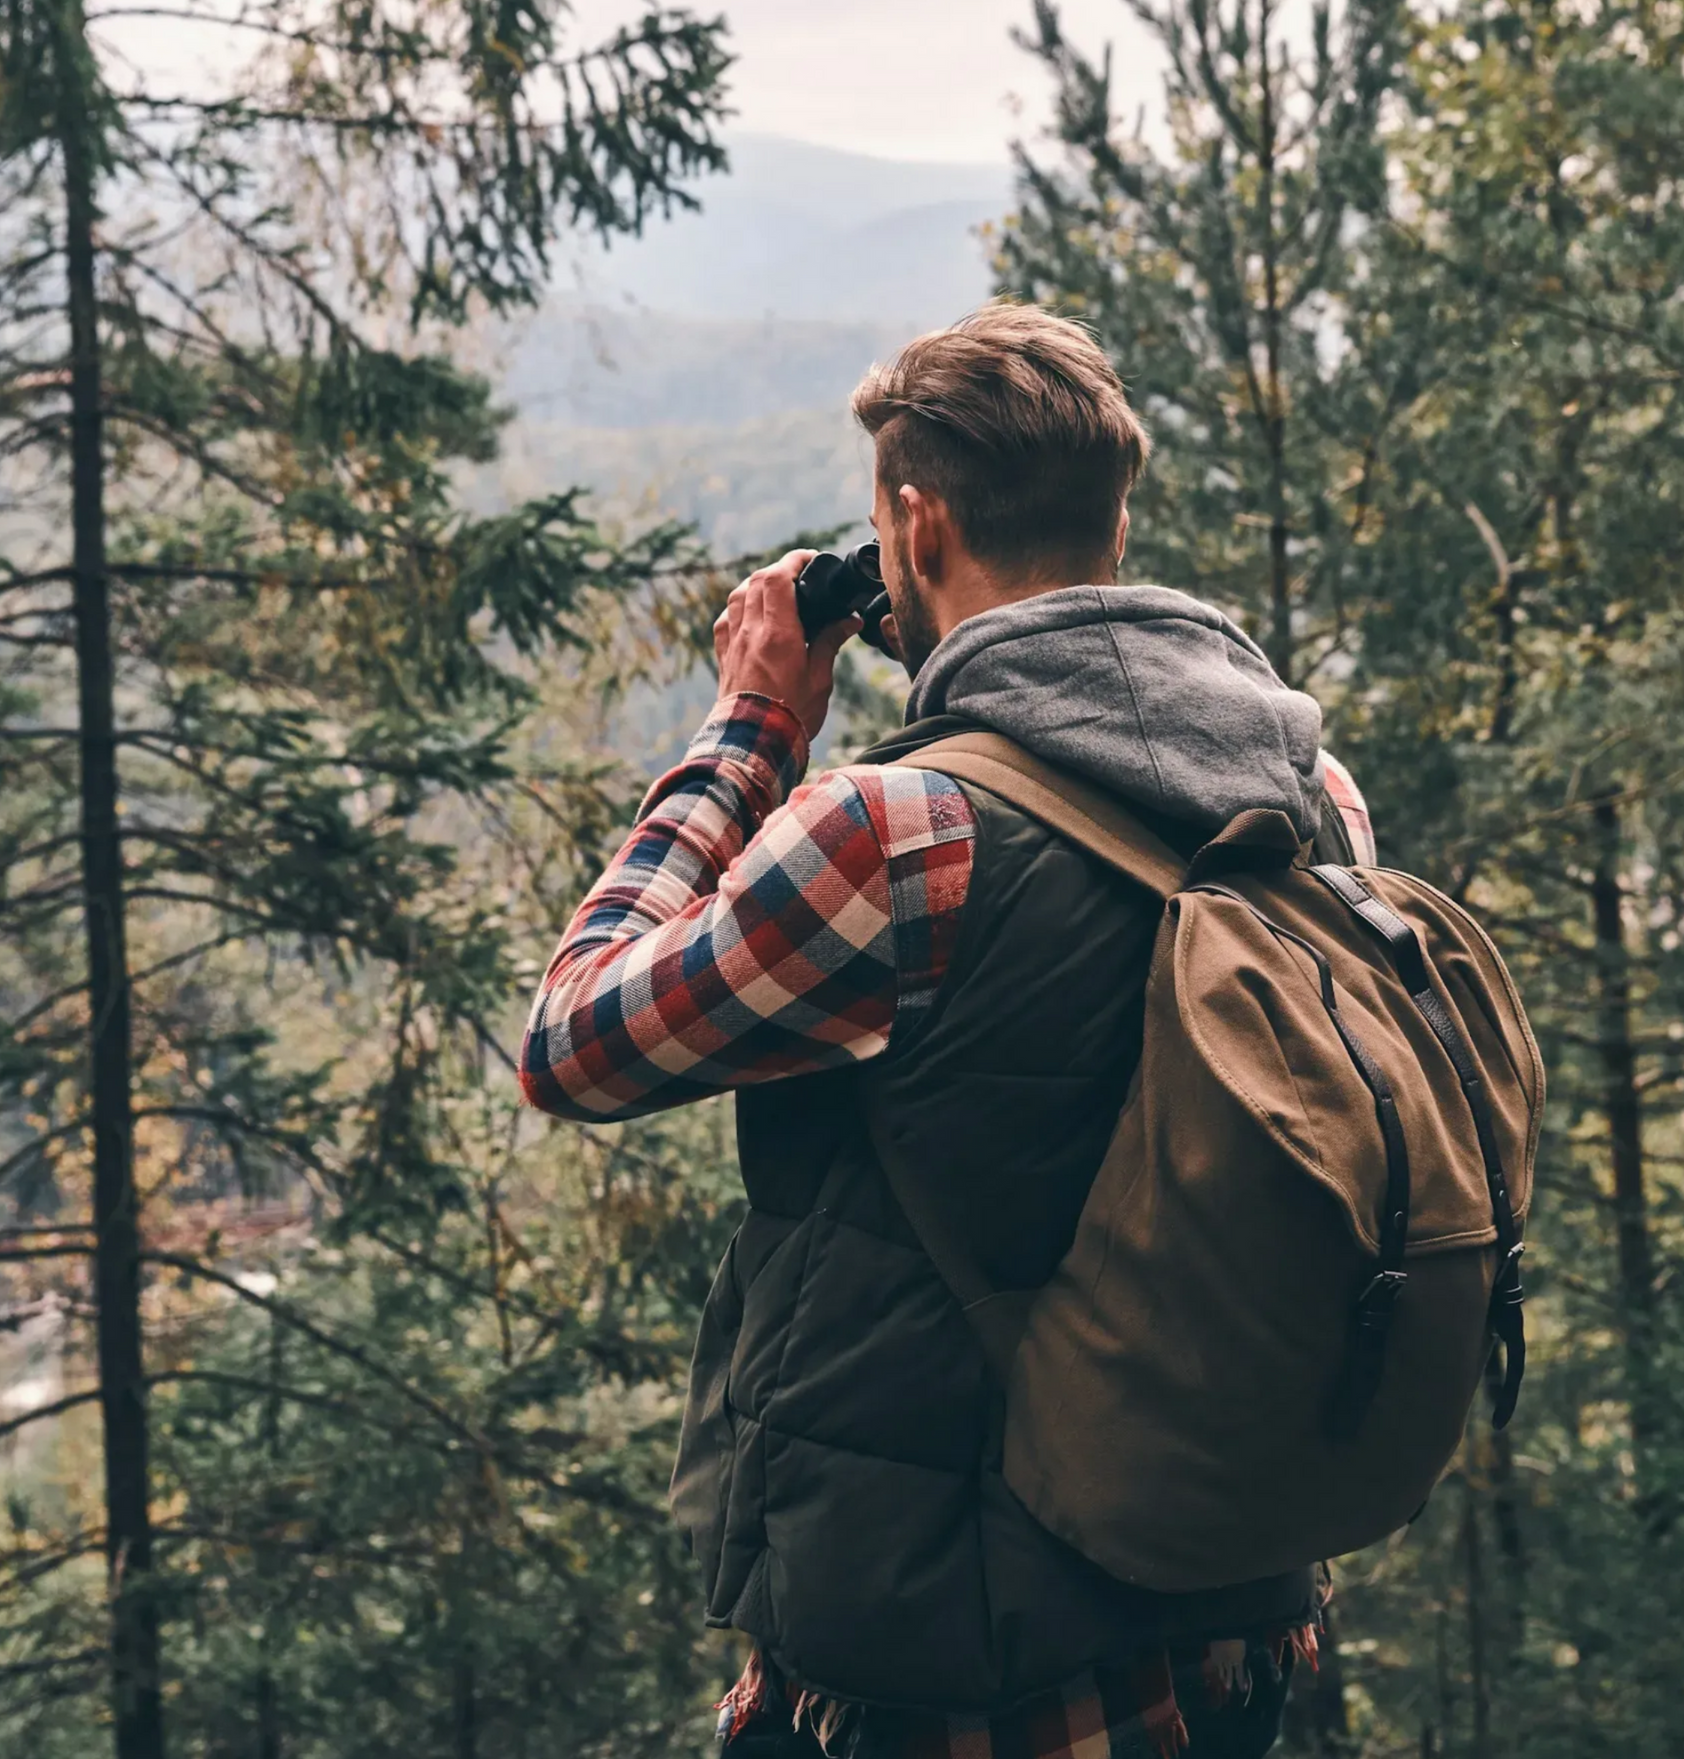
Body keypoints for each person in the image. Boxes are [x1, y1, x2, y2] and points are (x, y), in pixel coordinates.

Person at [519, 304, 1376, 1759]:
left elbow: (575, 1039)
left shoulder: (894, 835)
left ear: (914, 531)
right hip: (1225, 1638)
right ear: (1116, 519)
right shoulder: (1314, 799)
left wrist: (749, 728)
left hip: (945, 1679)